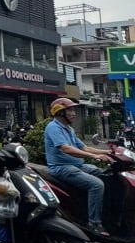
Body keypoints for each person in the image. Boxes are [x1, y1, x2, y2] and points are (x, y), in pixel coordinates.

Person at [44, 97, 114, 235]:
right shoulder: (53, 128)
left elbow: (84, 147)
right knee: (96, 185)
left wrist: (108, 152)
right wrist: (95, 157)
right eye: (70, 110)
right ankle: (94, 223)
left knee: (107, 174)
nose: (74, 113)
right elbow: (66, 149)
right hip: (61, 168)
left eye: (73, 110)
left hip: (77, 166)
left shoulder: (68, 128)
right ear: (60, 113)